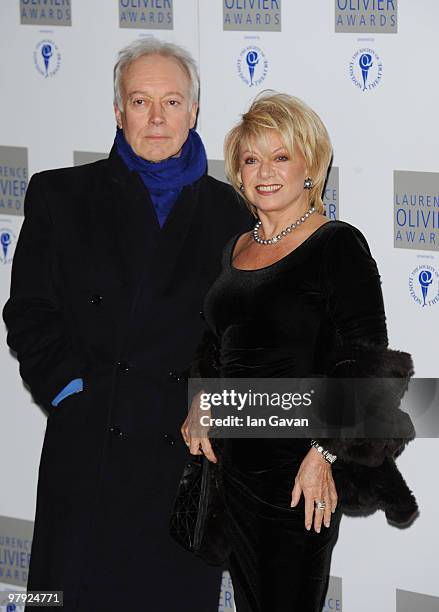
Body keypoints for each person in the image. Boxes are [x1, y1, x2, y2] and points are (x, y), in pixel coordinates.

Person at [3, 38, 251, 611]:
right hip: (88, 451)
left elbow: (240, 334)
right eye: (140, 102)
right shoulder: (59, 194)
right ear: (118, 112)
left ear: (194, 112)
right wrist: (70, 391)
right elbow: (29, 311)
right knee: (57, 599)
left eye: (172, 101)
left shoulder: (232, 212)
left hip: (182, 463)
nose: (157, 117)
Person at [182, 92, 418, 612]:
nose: (264, 171)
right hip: (233, 470)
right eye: (250, 159)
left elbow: (366, 364)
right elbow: (217, 342)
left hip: (299, 472)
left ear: (310, 167)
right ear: (239, 174)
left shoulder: (338, 245)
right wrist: (202, 401)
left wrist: (325, 453)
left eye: (280, 156)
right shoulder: (237, 247)